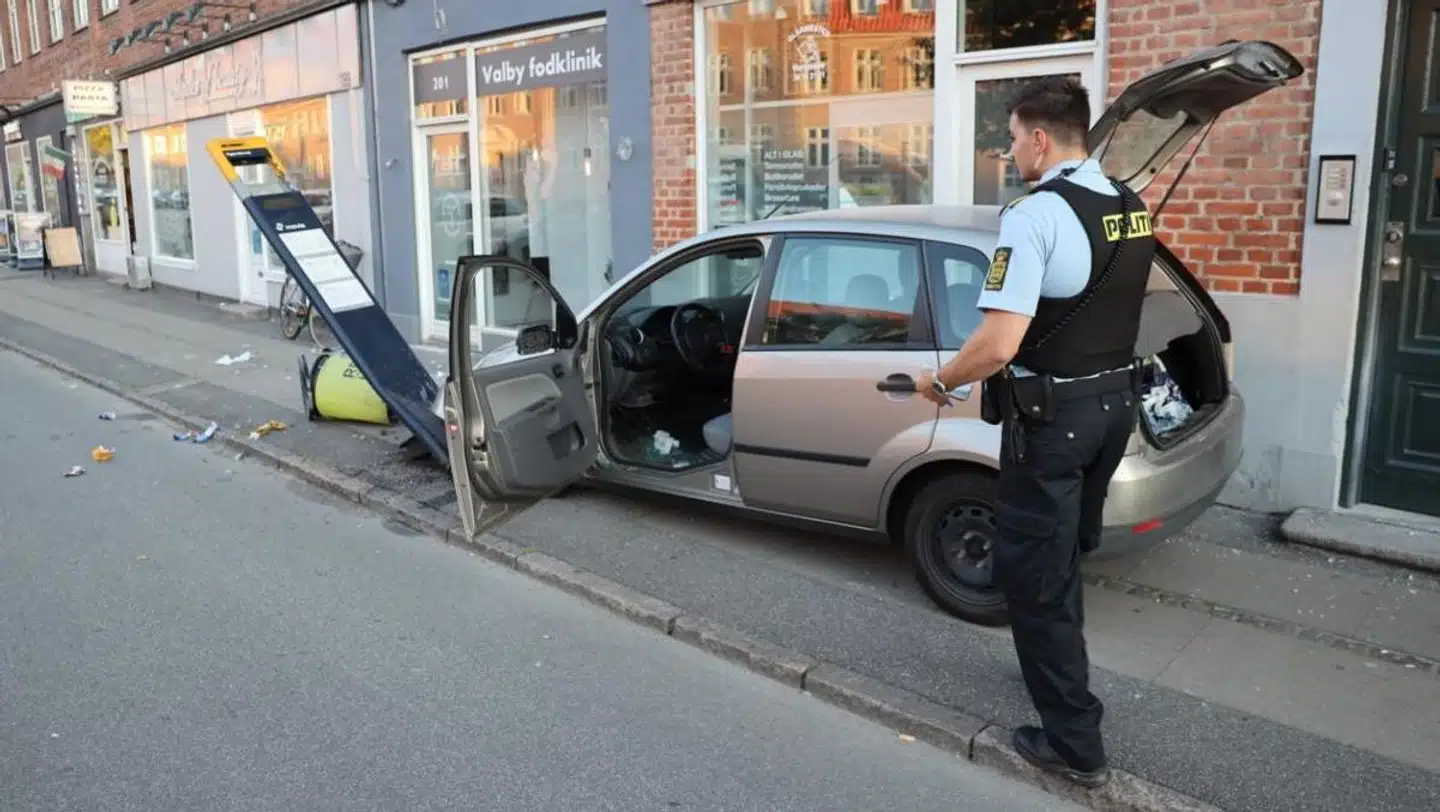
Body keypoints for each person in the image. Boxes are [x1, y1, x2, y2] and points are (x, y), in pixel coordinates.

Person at [916, 75, 1156, 790]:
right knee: (1063, 556)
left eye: (1015, 138)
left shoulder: (1034, 215)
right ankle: (1059, 677)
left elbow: (998, 345)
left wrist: (942, 382)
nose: (1011, 149)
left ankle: (1075, 744)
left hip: (1055, 426)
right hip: (1112, 410)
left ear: (1041, 139)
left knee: (1034, 574)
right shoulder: (1129, 205)